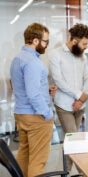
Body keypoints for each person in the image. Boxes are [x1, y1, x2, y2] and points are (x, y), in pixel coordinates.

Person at [10, 22, 55, 177]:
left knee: (24, 154)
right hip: (36, 117)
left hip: (21, 114)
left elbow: (22, 87)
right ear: (35, 41)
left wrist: (45, 90)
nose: (46, 45)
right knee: (38, 161)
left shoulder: (17, 59)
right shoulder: (33, 62)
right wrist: (48, 114)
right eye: (45, 42)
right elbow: (33, 95)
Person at [48, 23, 88, 172]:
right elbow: (59, 80)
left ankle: (66, 172)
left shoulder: (83, 56)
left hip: (80, 106)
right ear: (74, 41)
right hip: (64, 106)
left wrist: (81, 100)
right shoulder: (56, 54)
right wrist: (79, 95)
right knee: (74, 139)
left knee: (72, 141)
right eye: (84, 43)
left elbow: (87, 78)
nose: (86, 47)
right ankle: (80, 172)